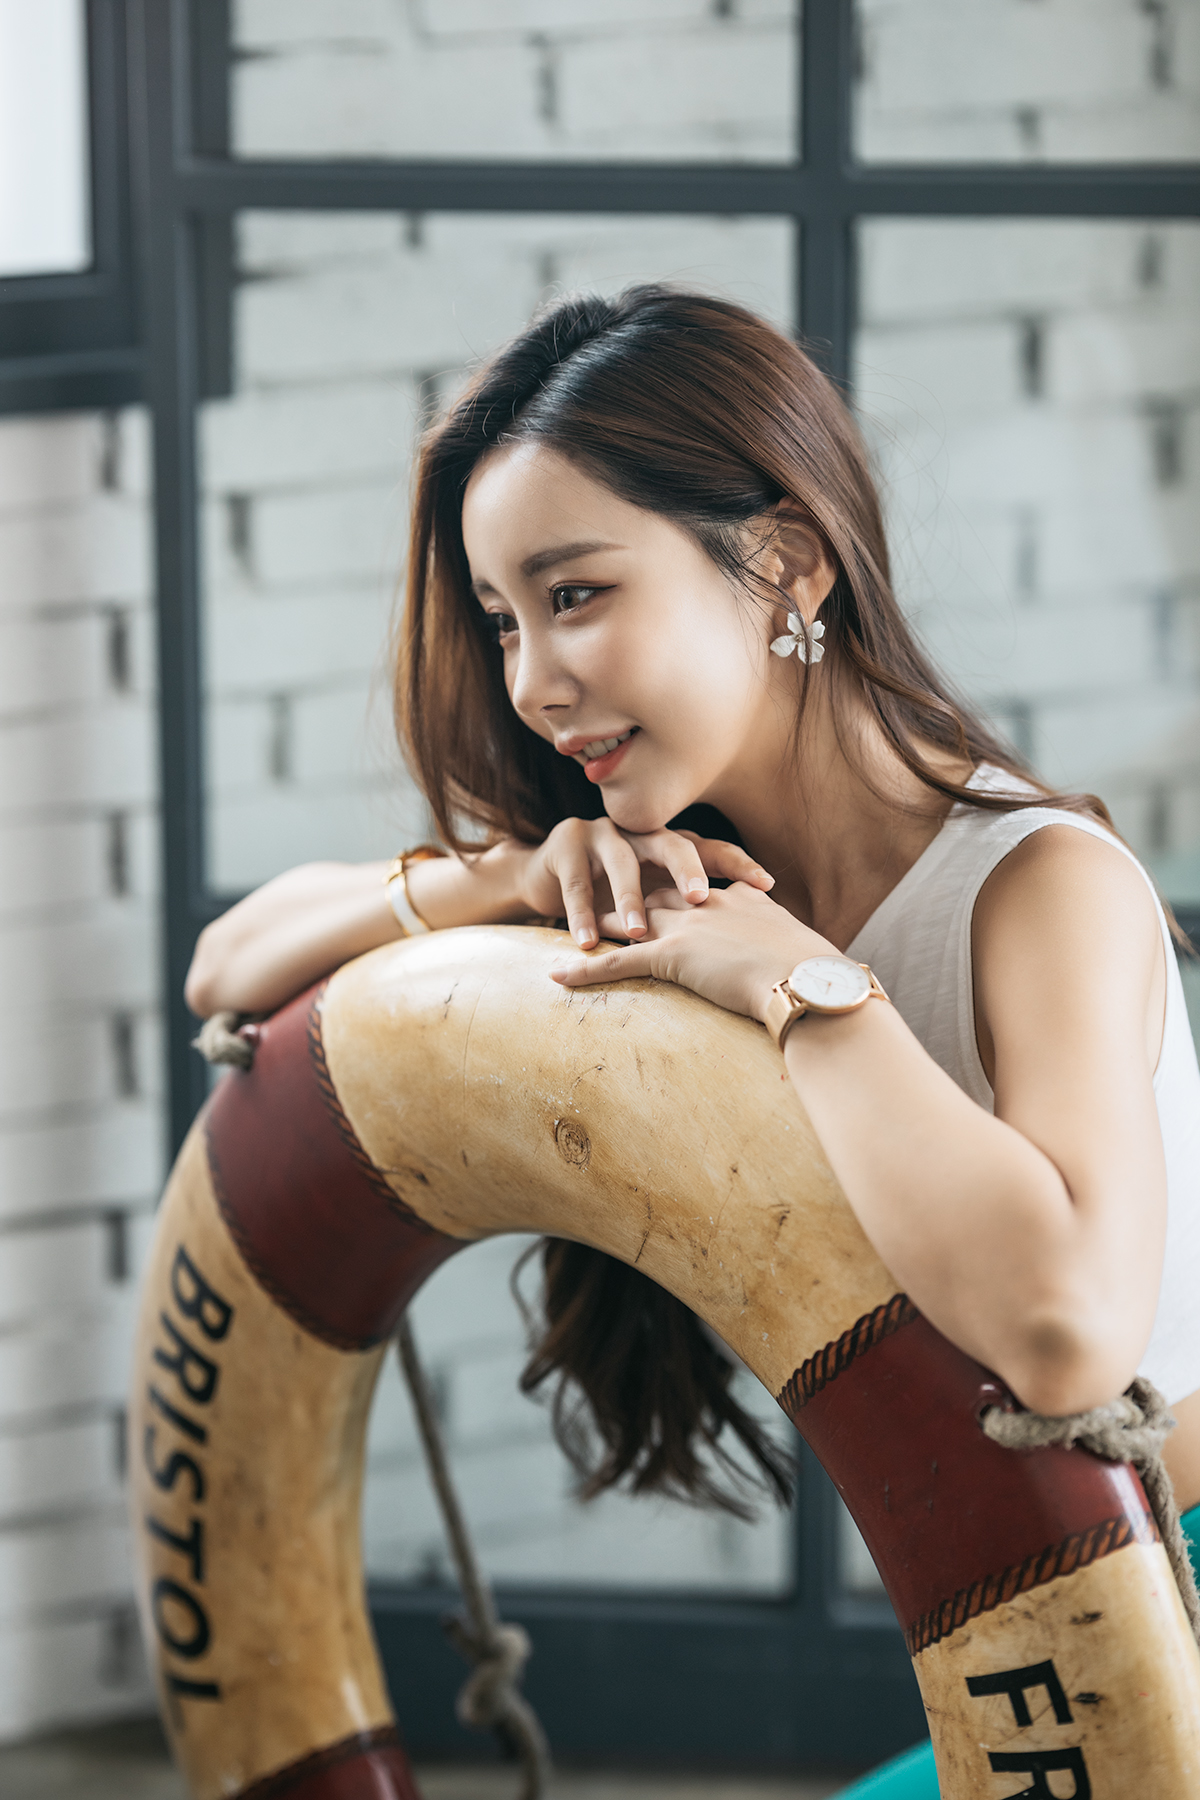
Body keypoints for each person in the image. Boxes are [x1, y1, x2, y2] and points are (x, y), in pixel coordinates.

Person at [185, 285, 1200, 1796]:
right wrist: (504, 878)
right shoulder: (674, 884)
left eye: (577, 595)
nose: (532, 680)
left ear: (785, 560)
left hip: (1173, 1632)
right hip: (1032, 1654)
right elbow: (225, 969)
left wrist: (806, 990)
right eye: (502, 618)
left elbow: (1066, 1332)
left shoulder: (1041, 885)